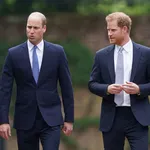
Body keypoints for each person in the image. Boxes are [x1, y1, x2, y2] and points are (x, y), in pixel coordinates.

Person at [0, 12, 74, 150]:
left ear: (44, 29)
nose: (31, 31)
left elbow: (66, 86)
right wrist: (3, 120)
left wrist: (69, 119)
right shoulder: (13, 54)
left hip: (51, 119)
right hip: (25, 119)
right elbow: (4, 89)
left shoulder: (57, 52)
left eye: (35, 28)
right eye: (29, 27)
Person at [88, 12, 150, 150]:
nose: (109, 33)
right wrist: (107, 89)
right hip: (112, 117)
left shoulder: (146, 54)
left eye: (113, 30)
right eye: (108, 30)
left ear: (125, 29)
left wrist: (139, 89)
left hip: (137, 118)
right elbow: (92, 84)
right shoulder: (101, 55)